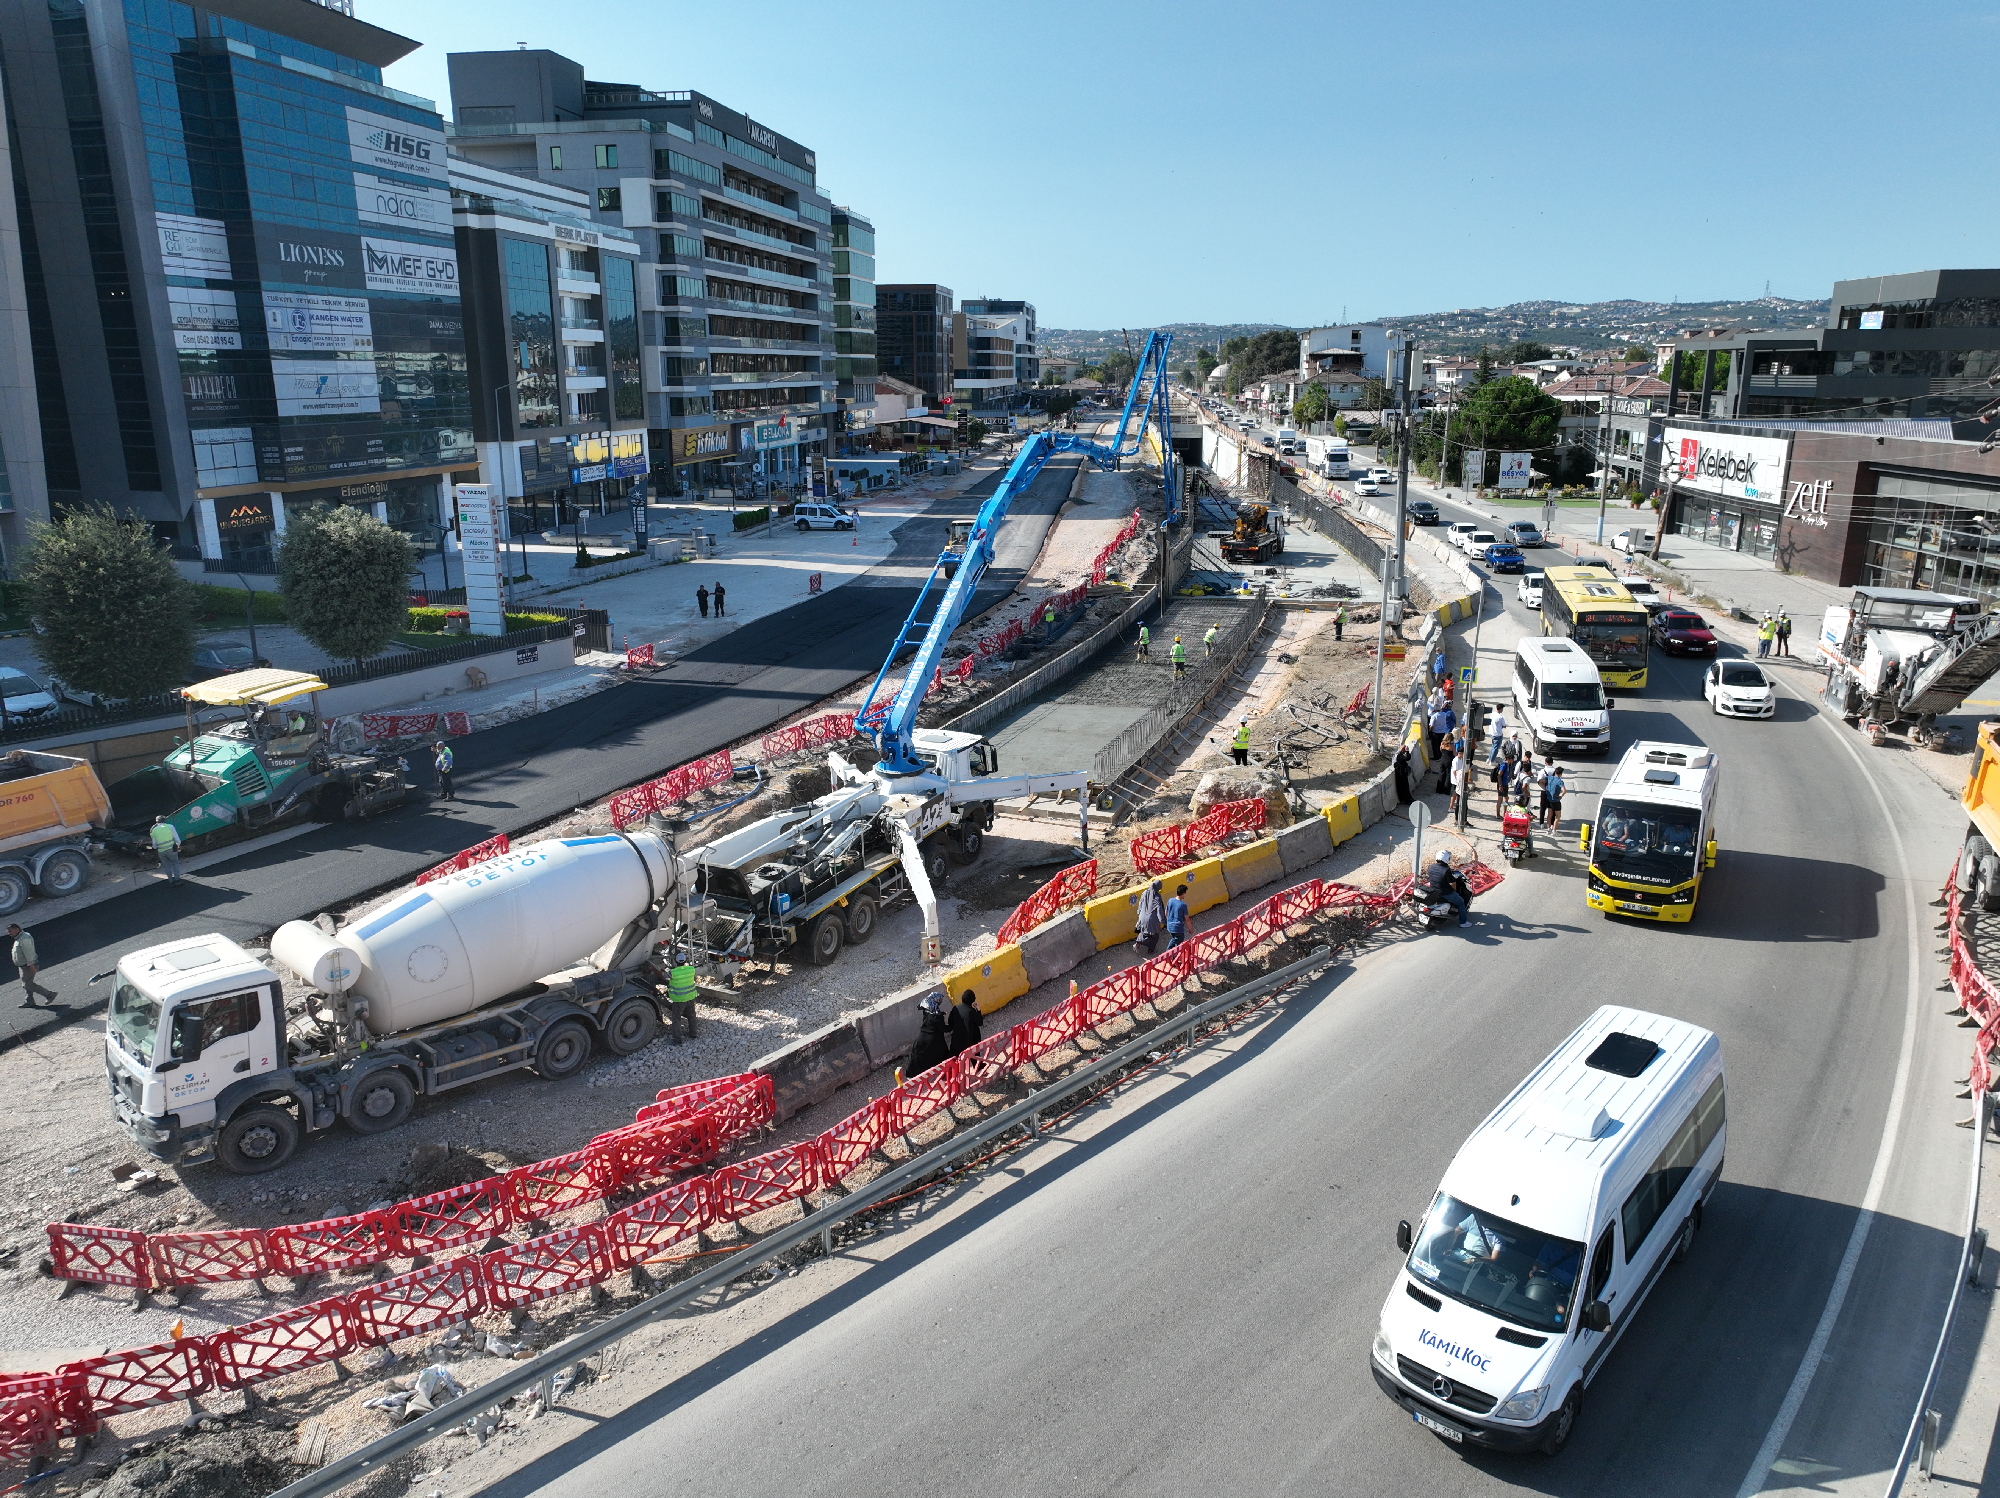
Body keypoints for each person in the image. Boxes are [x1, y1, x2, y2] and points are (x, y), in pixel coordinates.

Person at [905, 990, 951, 1078]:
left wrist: (941, 1014)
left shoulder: (926, 1010)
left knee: (918, 1056)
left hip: (922, 1037)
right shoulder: (938, 1017)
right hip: (935, 1040)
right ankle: (945, 1075)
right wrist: (953, 1025)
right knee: (942, 1056)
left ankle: (911, 1075)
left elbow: (931, 1019)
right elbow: (944, 1028)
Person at [1422, 852, 1472, 927]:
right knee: (1461, 902)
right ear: (1446, 859)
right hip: (1445, 893)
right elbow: (1453, 883)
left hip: (1433, 891)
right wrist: (1454, 891)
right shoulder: (1446, 869)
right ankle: (1463, 922)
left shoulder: (1431, 867)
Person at [9, 924, 53, 1005]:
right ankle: (29, 1001)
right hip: (23, 966)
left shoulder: (24, 939)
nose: (9, 933)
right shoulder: (19, 938)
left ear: (17, 929)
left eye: (10, 931)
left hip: (28, 966)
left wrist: (31, 965)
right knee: (26, 983)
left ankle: (49, 995)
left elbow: (29, 953)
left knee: (28, 985)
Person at [666, 950, 699, 1043]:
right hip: (691, 996)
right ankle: (693, 1033)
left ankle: (677, 1039)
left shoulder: (673, 972)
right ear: (685, 961)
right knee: (692, 1015)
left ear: (676, 962)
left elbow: (662, 975)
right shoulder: (691, 969)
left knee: (676, 1018)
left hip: (679, 999)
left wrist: (653, 968)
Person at [1134, 880, 1166, 956]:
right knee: (1154, 936)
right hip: (1151, 919)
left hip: (1142, 917)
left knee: (1143, 931)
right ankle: (1150, 950)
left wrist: (1139, 916)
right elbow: (1159, 911)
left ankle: (1137, 944)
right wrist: (1164, 921)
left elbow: (1140, 905)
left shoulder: (1144, 893)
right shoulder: (1157, 897)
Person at [947, 990, 984, 1055]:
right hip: (970, 1043)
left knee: (957, 1062)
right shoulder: (971, 1011)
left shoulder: (955, 1008)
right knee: (976, 1061)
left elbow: (950, 1022)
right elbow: (980, 1022)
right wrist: (978, 1010)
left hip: (956, 1042)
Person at [150, 817, 184, 884]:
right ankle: (177, 880)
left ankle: (170, 881)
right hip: (171, 849)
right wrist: (178, 845)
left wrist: (157, 848)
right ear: (164, 820)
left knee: (166, 865)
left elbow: (154, 845)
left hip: (161, 851)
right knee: (175, 863)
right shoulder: (170, 826)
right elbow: (176, 838)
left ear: (157, 822)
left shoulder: (154, 830)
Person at [1165, 884, 1191, 949]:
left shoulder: (1170, 900)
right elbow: (1187, 919)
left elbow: (1166, 913)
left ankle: (1173, 954)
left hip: (1169, 926)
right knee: (1178, 939)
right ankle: (1169, 952)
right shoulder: (1183, 905)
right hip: (1177, 928)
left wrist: (1168, 922)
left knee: (1175, 938)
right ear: (1183, 893)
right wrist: (1190, 929)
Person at [1541, 764, 1565, 829]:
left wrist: (1545, 788)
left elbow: (1540, 781)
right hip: (1556, 801)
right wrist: (1560, 796)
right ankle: (1554, 830)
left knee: (1549, 815)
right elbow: (1564, 790)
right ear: (1560, 774)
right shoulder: (1560, 781)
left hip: (1549, 799)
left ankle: (1548, 829)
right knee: (1558, 816)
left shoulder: (1549, 778)